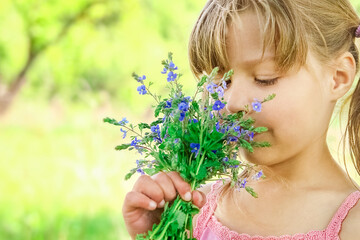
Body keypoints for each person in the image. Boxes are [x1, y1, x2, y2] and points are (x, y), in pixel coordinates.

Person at [122, 0, 360, 239]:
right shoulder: (195, 207)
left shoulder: (351, 225)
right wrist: (158, 233)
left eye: (264, 78)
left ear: (337, 78)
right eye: (222, 82)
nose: (232, 102)